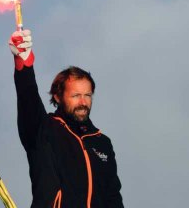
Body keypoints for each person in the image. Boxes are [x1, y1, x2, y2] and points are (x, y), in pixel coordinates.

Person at [9, 29, 124, 208]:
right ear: (57, 96)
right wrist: (24, 64)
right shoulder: (43, 130)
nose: (83, 102)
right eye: (76, 95)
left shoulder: (102, 143)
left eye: (87, 95)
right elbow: (28, 99)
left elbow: (113, 196)